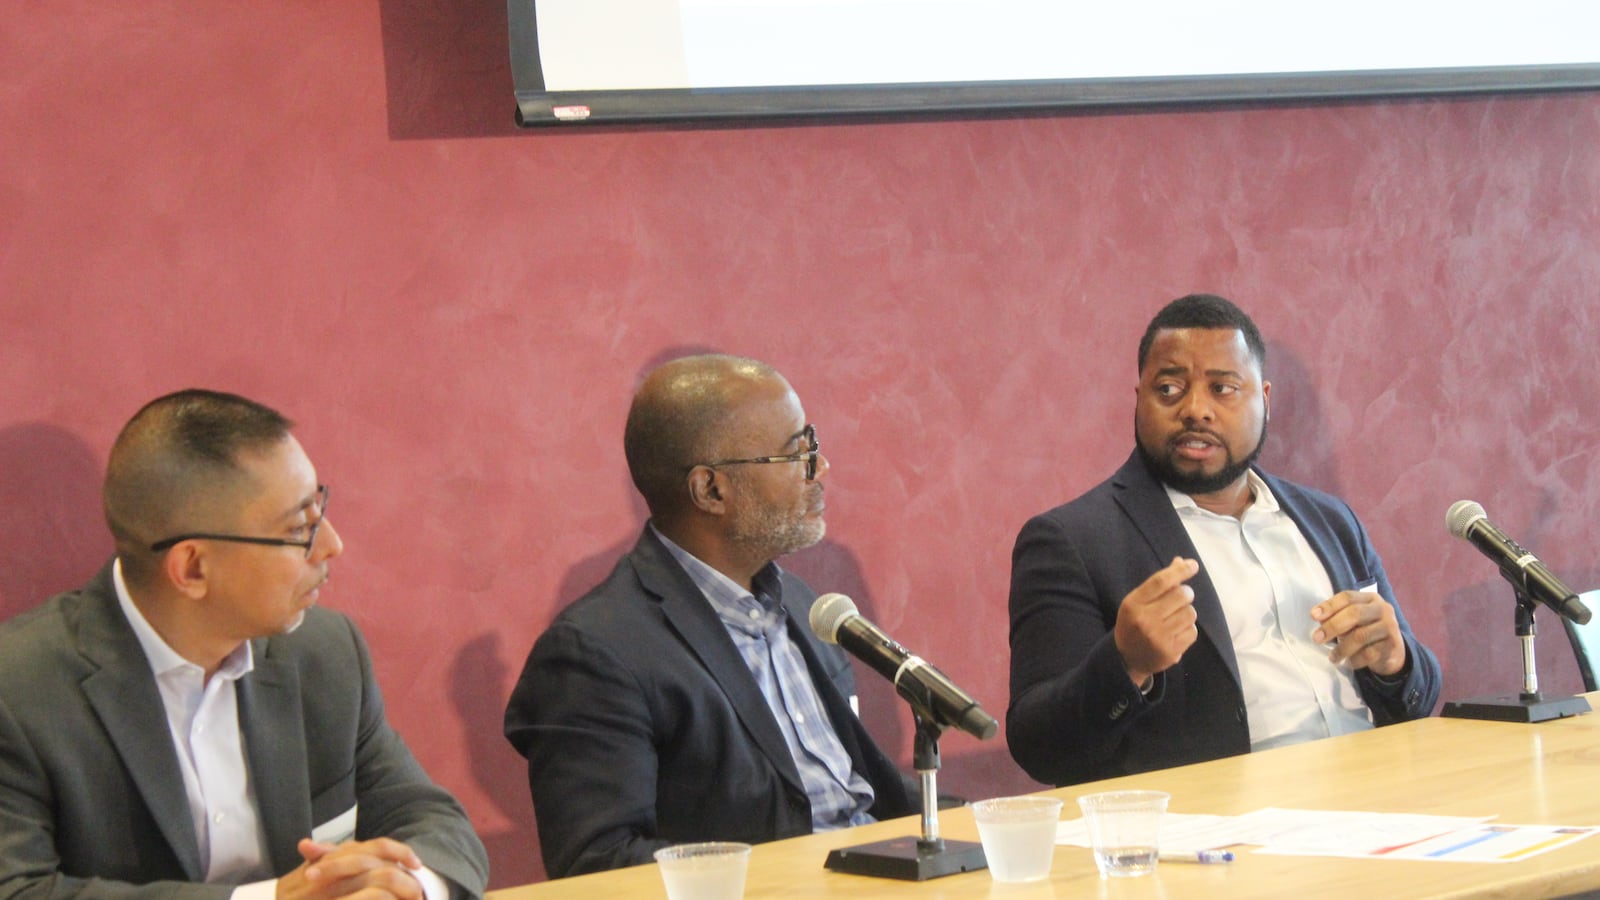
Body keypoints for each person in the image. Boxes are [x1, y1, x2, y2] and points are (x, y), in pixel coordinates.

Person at [0, 389, 489, 899]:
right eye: (299, 528)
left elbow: (428, 817)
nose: (331, 545)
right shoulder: (18, 691)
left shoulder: (325, 653)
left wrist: (406, 887)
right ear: (192, 568)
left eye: (319, 509)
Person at [503, 354, 914, 878]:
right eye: (798, 451)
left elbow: (860, 800)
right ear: (711, 490)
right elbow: (597, 865)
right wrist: (797, 876)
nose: (821, 467)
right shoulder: (595, 652)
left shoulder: (805, 605)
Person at [1006, 294, 1441, 787]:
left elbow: (1418, 697)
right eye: (1169, 389)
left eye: (1223, 389)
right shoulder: (1073, 540)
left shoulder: (1330, 521)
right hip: (1228, 832)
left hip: (1379, 797)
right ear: (1139, 398)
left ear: (1265, 400)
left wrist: (1395, 661)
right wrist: (1124, 664)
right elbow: (1038, 745)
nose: (1196, 410)